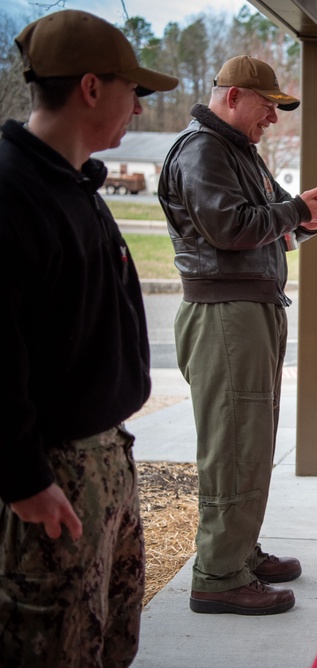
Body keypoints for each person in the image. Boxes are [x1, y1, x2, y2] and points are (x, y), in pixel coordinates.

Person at [0, 9, 178, 665]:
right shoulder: (14, 191)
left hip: (103, 459)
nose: (138, 108)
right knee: (54, 645)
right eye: (135, 91)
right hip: (54, 472)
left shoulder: (73, 185)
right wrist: (23, 478)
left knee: (106, 637)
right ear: (91, 87)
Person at [157, 55, 317, 615]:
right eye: (268, 106)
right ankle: (219, 576)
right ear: (234, 95)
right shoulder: (203, 150)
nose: (274, 118)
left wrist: (301, 221)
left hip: (245, 311)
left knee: (249, 441)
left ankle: (237, 553)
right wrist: (293, 210)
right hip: (227, 315)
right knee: (235, 446)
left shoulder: (233, 150)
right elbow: (230, 226)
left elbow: (261, 226)